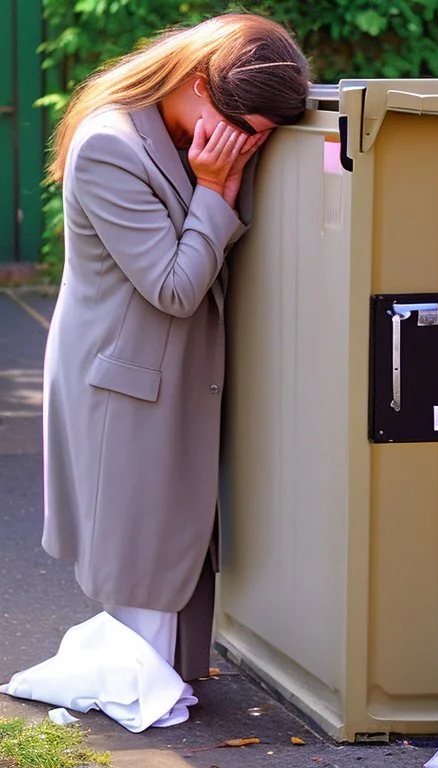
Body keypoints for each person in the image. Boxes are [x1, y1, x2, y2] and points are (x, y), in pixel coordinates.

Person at [0, 13, 310, 729]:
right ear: (199, 86)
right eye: (248, 128)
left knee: (175, 535)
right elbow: (172, 286)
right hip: (123, 381)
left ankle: (158, 674)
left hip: (167, 374)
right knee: (145, 544)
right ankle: (135, 681)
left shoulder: (176, 129)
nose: (251, 145)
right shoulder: (111, 147)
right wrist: (215, 188)